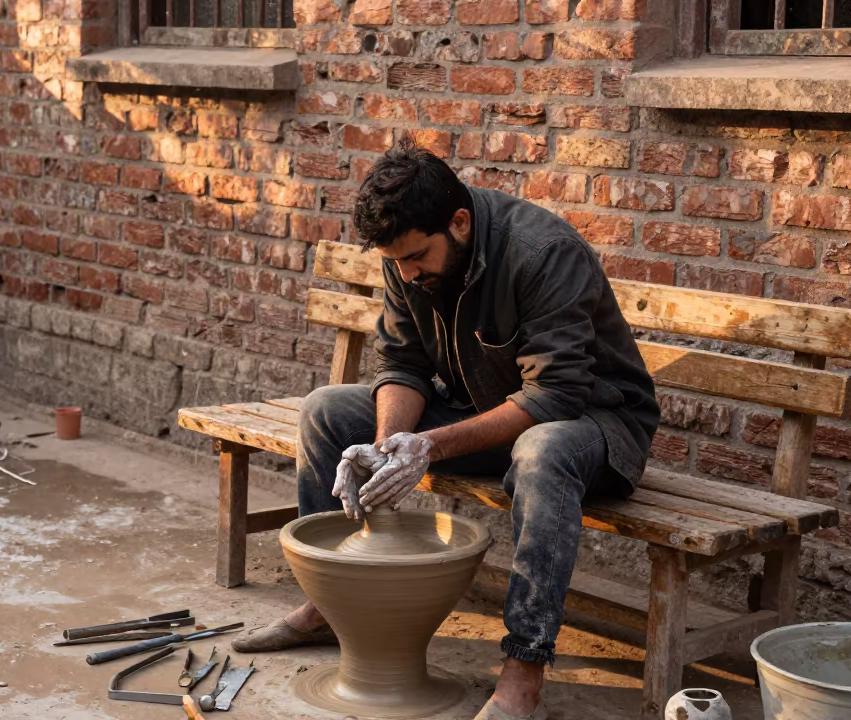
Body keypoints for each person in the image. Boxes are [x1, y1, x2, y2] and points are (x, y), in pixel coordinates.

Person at [229, 137, 660, 719]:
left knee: (542, 452)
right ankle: (332, 607)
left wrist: (427, 446)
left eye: (415, 258)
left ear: (459, 223)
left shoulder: (542, 252)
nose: (406, 273)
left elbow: (554, 397)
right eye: (396, 263)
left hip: (593, 427)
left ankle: (524, 671)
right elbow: (402, 364)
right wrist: (389, 447)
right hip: (486, 411)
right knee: (326, 410)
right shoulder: (406, 257)